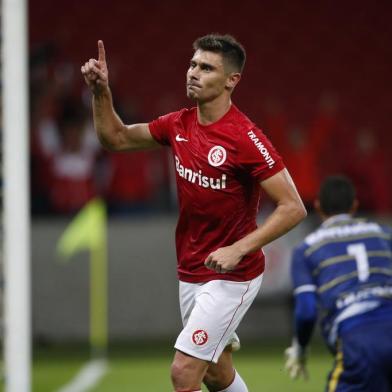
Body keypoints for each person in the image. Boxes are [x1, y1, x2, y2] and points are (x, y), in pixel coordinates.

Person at [81, 34, 306, 392]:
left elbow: (293, 206)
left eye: (206, 68)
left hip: (234, 275)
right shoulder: (178, 124)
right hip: (191, 269)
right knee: (217, 374)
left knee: (183, 372)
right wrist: (100, 92)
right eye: (193, 64)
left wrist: (238, 249)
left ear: (232, 80)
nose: (193, 73)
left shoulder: (245, 137)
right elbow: (116, 138)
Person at [285, 175, 392, 391]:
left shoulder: (306, 249)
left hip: (358, 339)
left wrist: (300, 348)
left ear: (317, 207)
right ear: (354, 205)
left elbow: (306, 311)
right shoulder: (383, 234)